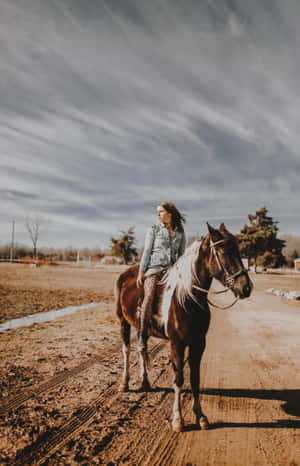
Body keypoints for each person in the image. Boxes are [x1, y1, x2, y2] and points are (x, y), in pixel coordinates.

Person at [137, 201, 186, 350]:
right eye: (157, 212)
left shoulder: (180, 232)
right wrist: (141, 272)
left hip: (172, 271)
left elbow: (181, 254)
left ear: (169, 214)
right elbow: (147, 252)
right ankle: (142, 335)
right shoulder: (153, 230)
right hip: (154, 269)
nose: (158, 215)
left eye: (161, 212)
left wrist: (179, 271)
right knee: (150, 295)